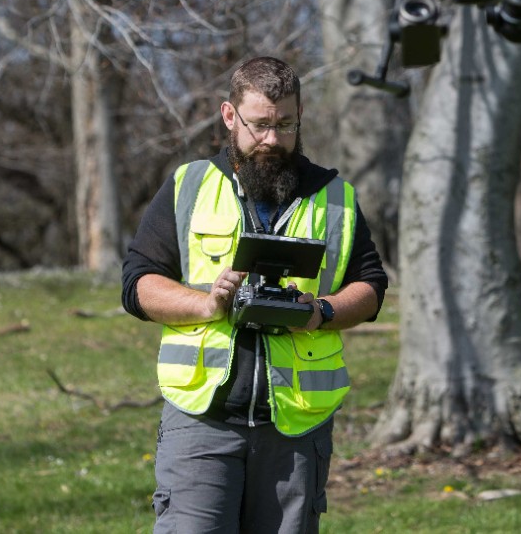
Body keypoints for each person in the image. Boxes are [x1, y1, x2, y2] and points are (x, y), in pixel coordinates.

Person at [122, 56, 389, 534]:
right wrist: (205, 303)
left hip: (296, 426)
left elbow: (371, 287)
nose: (273, 139)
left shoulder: (336, 196)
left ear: (300, 115)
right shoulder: (189, 186)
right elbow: (138, 282)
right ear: (230, 116)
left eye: (286, 125)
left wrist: (320, 312)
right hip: (202, 419)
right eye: (260, 124)